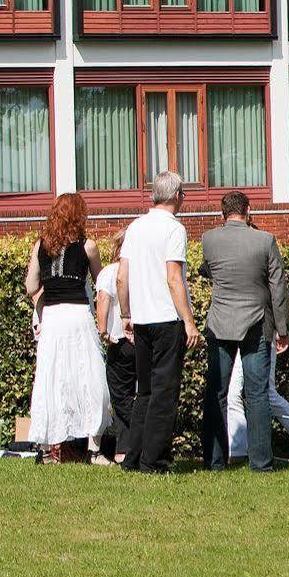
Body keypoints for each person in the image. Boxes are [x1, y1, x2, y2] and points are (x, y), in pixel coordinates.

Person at [198, 190, 289, 472]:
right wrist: (283, 329)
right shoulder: (265, 241)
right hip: (256, 323)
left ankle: (214, 461)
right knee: (258, 393)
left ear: (222, 213)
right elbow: (279, 288)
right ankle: (261, 463)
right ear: (249, 211)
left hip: (220, 322)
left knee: (216, 392)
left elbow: (208, 270)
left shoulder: (209, 239)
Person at [118, 173, 200, 474]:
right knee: (165, 393)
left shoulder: (135, 227)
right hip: (167, 319)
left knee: (145, 392)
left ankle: (134, 457)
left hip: (141, 320)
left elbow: (121, 277)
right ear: (177, 195)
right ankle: (154, 461)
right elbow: (173, 277)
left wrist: (126, 314)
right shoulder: (174, 229)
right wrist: (189, 322)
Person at [24, 192, 112, 462]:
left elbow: (30, 287)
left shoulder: (40, 245)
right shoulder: (88, 246)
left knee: (52, 379)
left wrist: (43, 302)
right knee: (90, 379)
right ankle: (93, 448)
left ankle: (49, 448)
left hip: (52, 318)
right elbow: (102, 282)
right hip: (78, 317)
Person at [93, 230, 131, 465]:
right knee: (139, 393)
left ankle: (126, 446)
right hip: (145, 340)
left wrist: (103, 330)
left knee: (120, 396)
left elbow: (103, 301)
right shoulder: (146, 271)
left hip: (119, 339)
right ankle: (126, 448)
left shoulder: (109, 272)